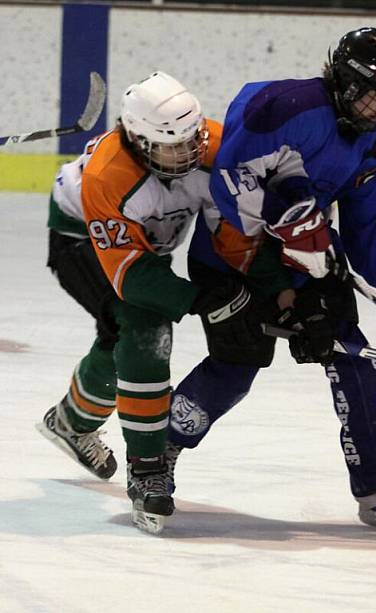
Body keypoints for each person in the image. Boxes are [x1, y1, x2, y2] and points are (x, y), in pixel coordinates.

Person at [164, 27, 376, 531]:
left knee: (350, 354)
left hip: (306, 256)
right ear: (345, 81)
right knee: (238, 360)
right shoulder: (281, 107)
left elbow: (371, 221)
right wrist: (283, 219)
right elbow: (231, 180)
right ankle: (158, 451)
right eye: (374, 95)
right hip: (230, 251)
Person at [37, 71, 264, 534]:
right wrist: (201, 299)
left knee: (121, 335)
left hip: (150, 243)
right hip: (80, 237)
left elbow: (235, 227)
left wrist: (248, 290)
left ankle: (70, 421)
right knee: (144, 327)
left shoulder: (219, 149)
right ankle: (146, 470)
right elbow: (132, 277)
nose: (186, 155)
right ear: (138, 141)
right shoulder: (108, 176)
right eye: (170, 146)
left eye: (191, 141)